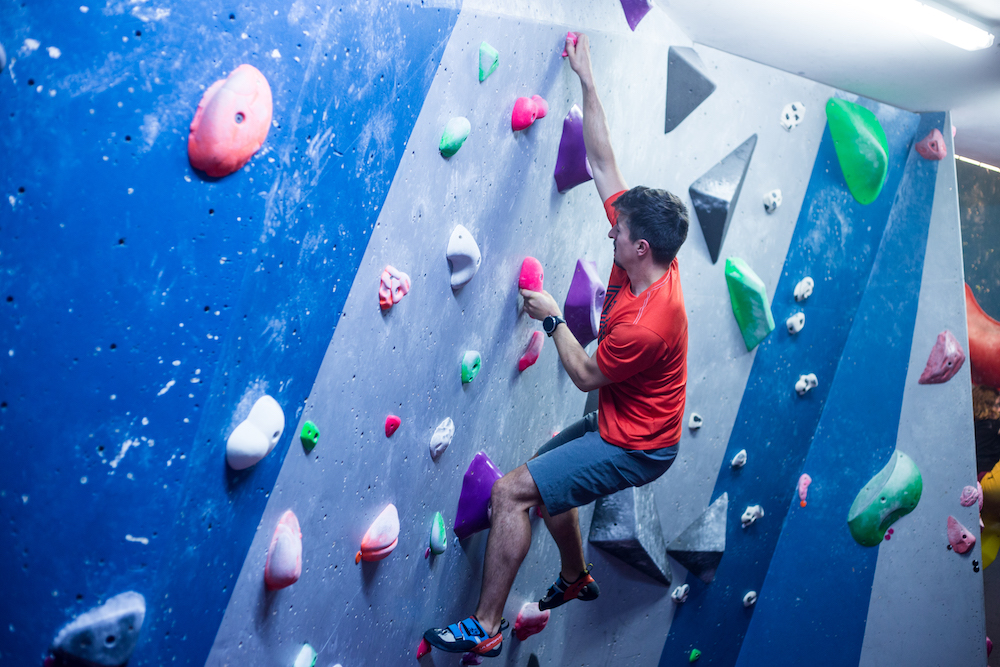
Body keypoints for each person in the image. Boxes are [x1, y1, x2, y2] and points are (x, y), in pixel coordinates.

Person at [423, 32, 690, 659]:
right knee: (547, 481)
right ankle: (575, 577)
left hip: (638, 444)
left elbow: (586, 375)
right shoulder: (651, 258)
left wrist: (549, 319)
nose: (612, 230)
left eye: (618, 232)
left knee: (513, 492)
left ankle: (484, 626)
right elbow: (602, 163)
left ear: (641, 249)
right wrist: (587, 81)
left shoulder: (650, 321)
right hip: (628, 419)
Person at [973, 384, 1000, 475]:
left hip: (977, 474)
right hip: (989, 473)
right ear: (986, 407)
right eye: (996, 405)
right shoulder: (992, 425)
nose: (999, 409)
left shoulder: (974, 426)